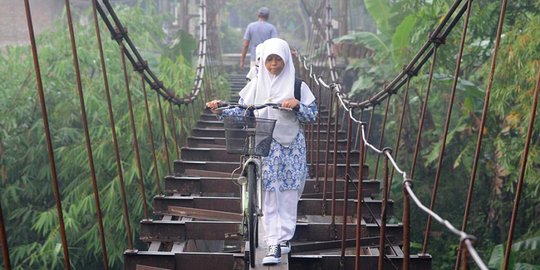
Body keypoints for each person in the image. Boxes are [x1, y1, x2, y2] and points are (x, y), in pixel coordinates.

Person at [207, 38, 318, 266]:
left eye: (278, 60)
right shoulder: (255, 86)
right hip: (265, 146)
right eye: (269, 60)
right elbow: (242, 112)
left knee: (290, 193)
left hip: (291, 148)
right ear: (263, 61)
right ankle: (273, 243)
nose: (274, 65)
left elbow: (312, 115)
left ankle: (285, 237)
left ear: (286, 60)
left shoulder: (298, 86)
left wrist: (297, 105)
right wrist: (220, 109)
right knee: (269, 193)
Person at [239, 7, 278, 71]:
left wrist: (242, 61)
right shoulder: (271, 28)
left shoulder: (250, 26)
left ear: (258, 15)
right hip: (268, 59)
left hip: (255, 58)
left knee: (254, 79)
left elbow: (245, 45)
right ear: (268, 16)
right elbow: (275, 44)